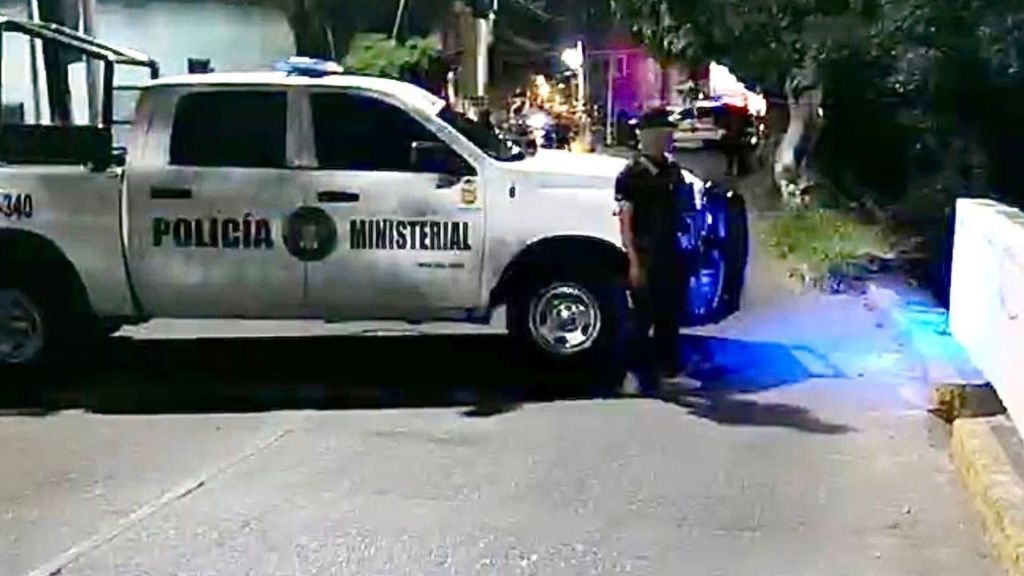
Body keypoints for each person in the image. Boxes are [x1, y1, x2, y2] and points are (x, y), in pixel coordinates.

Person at [615, 108, 702, 395]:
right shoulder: (632, 175)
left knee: (670, 315)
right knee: (641, 318)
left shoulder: (672, 170)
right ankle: (632, 374)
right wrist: (634, 261)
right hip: (646, 252)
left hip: (671, 251)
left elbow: (684, 211)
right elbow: (626, 220)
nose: (667, 139)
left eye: (668, 134)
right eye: (662, 134)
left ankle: (668, 371)